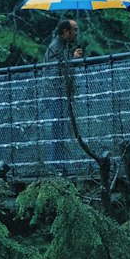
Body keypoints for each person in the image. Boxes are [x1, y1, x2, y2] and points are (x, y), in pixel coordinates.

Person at [40, 17, 82, 169]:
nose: (76, 32)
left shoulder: (63, 46)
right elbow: (54, 71)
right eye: (74, 29)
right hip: (54, 96)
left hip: (60, 95)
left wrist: (70, 57)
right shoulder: (55, 47)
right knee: (58, 131)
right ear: (65, 32)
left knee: (61, 130)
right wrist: (72, 59)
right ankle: (57, 166)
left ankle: (61, 164)